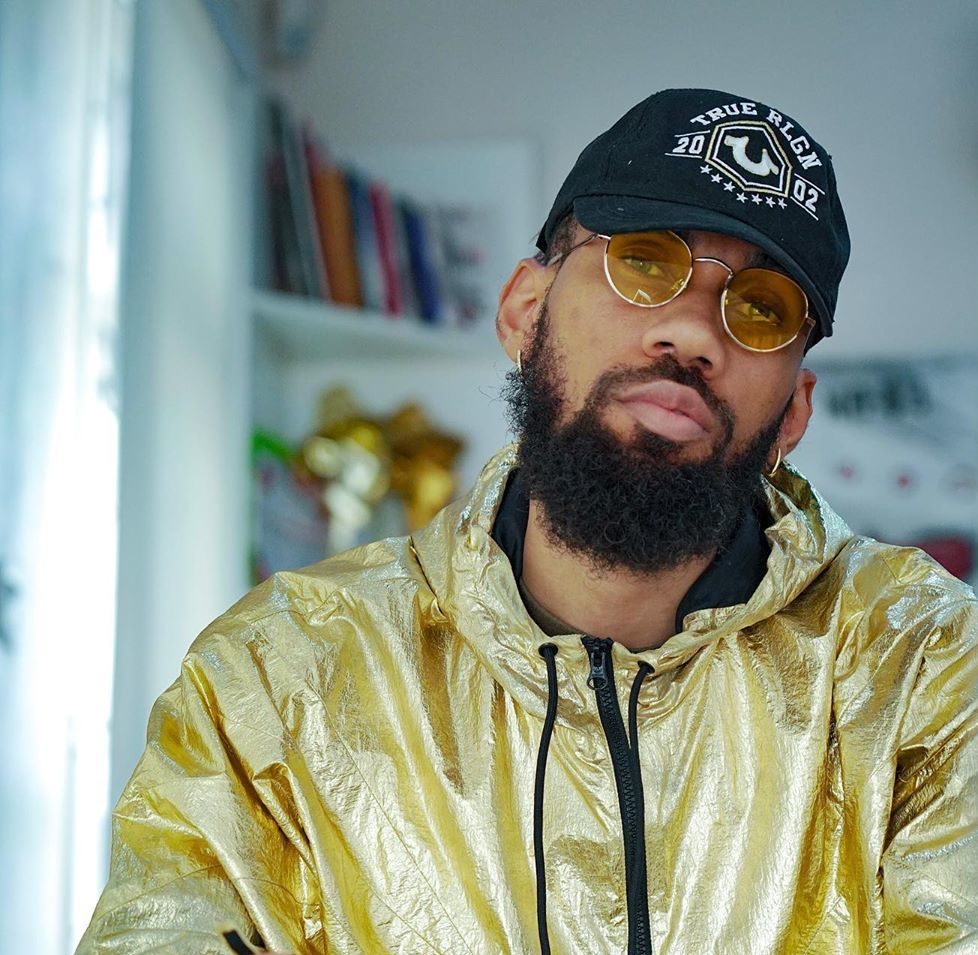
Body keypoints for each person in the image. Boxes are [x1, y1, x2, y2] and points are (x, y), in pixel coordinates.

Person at [77, 88, 977, 955]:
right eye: (646, 263)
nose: (698, 333)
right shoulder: (278, 676)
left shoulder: (923, 666)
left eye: (762, 309)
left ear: (793, 415)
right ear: (525, 309)